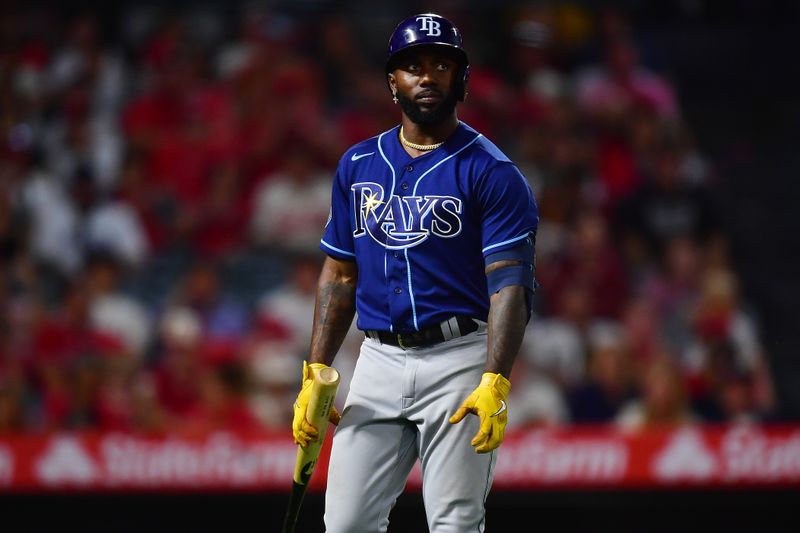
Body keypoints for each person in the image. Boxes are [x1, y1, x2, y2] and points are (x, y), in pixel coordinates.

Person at [291, 13, 539, 532]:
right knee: (345, 523)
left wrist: (495, 377)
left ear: (462, 80)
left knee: (453, 521)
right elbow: (338, 274)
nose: (427, 76)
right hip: (377, 358)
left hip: (459, 359)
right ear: (392, 82)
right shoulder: (358, 164)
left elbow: (509, 286)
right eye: (413, 66)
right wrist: (317, 370)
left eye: (441, 65)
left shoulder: (492, 172)